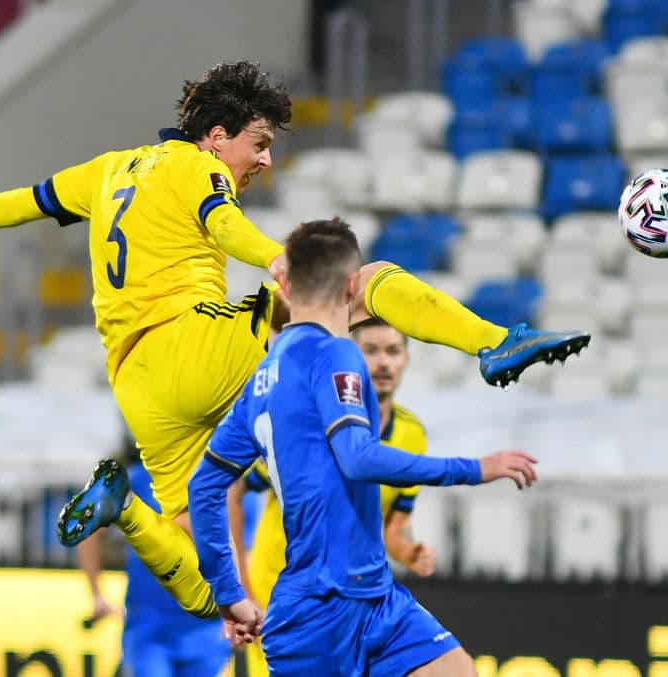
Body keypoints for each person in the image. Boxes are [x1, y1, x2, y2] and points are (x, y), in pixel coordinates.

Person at [0, 61, 582, 622]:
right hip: (193, 345)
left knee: (216, 590)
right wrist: (281, 257)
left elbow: (15, 203)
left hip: (138, 384)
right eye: (259, 143)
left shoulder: (107, 170)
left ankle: (124, 508)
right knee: (365, 280)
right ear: (217, 135)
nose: (264, 160)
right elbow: (220, 223)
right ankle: (493, 342)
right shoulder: (193, 165)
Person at [188, 217, 541, 675]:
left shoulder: (259, 382)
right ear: (354, 285)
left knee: (456, 671)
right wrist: (474, 468)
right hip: (318, 609)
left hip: (376, 596)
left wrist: (228, 593)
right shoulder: (335, 354)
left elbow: (204, 487)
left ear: (286, 285)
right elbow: (356, 457)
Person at [228, 318, 434, 676]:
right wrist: (241, 587)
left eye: (393, 351)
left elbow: (390, 527)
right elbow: (234, 490)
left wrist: (408, 551)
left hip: (352, 599)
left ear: (406, 359)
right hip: (282, 592)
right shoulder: (312, 426)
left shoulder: (412, 434)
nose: (383, 362)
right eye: (370, 350)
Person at [77, 449, 231, 677]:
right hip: (149, 627)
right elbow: (87, 526)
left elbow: (242, 551)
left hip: (206, 629)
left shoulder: (223, 483)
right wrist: (97, 594)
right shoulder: (141, 480)